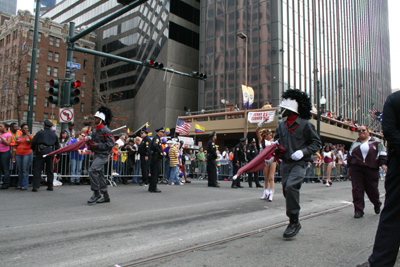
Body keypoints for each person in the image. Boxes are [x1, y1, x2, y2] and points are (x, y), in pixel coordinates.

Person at [274, 89, 321, 238]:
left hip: (300, 163)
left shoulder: (306, 125)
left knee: (291, 186)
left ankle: (293, 221)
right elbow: (277, 142)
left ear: (291, 109)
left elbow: (316, 143)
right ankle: (294, 220)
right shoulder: (281, 126)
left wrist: (304, 152)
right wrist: (272, 148)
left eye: (284, 108)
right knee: (287, 191)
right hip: (286, 164)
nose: (281, 110)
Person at [369, 91, 400, 266]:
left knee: (393, 212)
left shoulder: (394, 99)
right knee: (393, 211)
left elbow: (390, 132)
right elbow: (389, 131)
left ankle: (381, 261)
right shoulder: (394, 100)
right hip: (397, 164)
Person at [346, 125, 387, 219]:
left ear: (368, 131)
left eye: (363, 130)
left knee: (372, 190)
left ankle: (377, 203)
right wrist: (349, 169)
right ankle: (358, 210)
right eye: (359, 131)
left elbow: (382, 153)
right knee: (357, 190)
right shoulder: (355, 143)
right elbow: (350, 156)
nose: (361, 132)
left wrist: (383, 164)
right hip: (356, 169)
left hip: (371, 169)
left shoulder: (376, 141)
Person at [85, 106, 115, 203]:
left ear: (101, 120)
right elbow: (93, 143)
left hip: (104, 155)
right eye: (95, 118)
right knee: (100, 174)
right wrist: (90, 143)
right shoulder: (94, 131)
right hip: (97, 154)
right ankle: (105, 196)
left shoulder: (106, 131)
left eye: (97, 118)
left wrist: (97, 145)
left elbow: (111, 144)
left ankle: (96, 193)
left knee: (92, 170)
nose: (95, 120)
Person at [31, 120, 60, 192]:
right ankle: (50, 185)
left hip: (41, 151)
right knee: (50, 169)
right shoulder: (54, 134)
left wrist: (33, 149)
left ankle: (36, 186)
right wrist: (58, 156)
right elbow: (57, 146)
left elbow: (33, 141)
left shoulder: (40, 133)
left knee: (38, 169)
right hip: (50, 151)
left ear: (44, 126)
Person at [256, 127, 277, 201]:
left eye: (271, 135)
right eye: (270, 135)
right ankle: (265, 192)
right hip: (264, 160)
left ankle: (271, 192)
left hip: (272, 159)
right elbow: (257, 130)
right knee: (266, 178)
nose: (271, 136)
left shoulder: (272, 142)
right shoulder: (261, 141)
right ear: (266, 135)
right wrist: (263, 122)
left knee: (271, 177)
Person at [13, 124, 33, 190]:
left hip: (27, 154)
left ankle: (24, 185)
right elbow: (15, 146)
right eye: (24, 128)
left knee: (25, 170)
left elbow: (33, 142)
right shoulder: (18, 137)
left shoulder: (30, 136)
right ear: (21, 129)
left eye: (27, 128)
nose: (26, 129)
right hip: (18, 154)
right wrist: (13, 156)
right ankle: (20, 184)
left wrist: (29, 135)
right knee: (20, 170)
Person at [149, 127, 165, 193]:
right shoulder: (156, 138)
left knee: (154, 173)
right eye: (162, 132)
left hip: (155, 157)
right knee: (155, 173)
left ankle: (151, 187)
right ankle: (154, 188)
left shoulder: (157, 138)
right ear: (159, 132)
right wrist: (160, 152)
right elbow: (155, 146)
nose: (163, 133)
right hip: (156, 157)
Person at [8, 122, 22, 186]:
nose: (16, 128)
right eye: (15, 127)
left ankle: (16, 180)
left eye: (17, 127)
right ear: (11, 128)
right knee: (11, 165)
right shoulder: (8, 133)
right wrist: (14, 144)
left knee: (17, 165)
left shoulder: (19, 132)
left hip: (18, 149)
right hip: (11, 149)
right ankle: (11, 180)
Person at [0, 123, 12, 189]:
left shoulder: (8, 134)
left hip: (5, 153)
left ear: (5, 128)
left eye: (1, 126)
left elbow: (8, 143)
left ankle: (6, 183)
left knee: (5, 168)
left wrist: (1, 137)